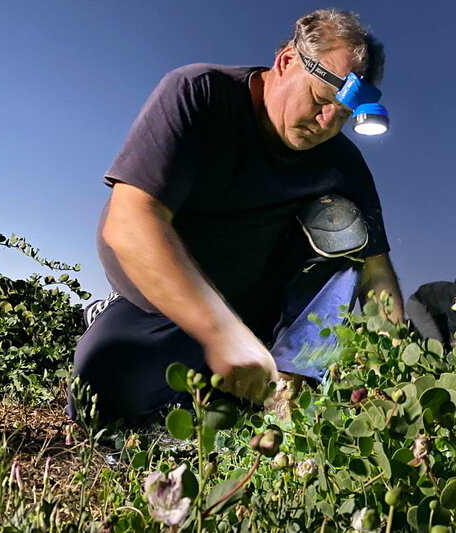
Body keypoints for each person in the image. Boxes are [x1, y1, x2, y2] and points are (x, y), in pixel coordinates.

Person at [70, 9, 403, 425]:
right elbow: (130, 221)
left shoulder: (342, 163)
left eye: (343, 116)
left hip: (256, 309)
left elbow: (376, 275)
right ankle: (124, 324)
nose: (326, 124)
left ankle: (292, 380)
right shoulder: (199, 93)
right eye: (321, 101)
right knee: (102, 396)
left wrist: (395, 373)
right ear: (287, 61)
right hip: (165, 300)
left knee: (347, 228)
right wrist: (221, 333)